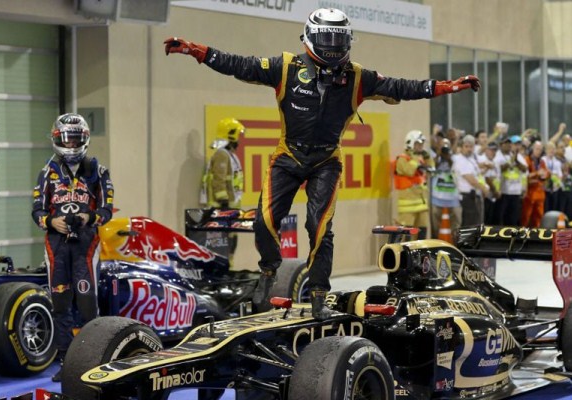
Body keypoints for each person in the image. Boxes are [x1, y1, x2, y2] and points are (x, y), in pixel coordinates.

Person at [164, 7, 480, 319]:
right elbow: (238, 65)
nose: (331, 45)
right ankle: (269, 271)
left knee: (319, 227)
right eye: (326, 37)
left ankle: (318, 295)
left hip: (326, 161)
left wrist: (448, 86)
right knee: (264, 221)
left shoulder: (358, 76)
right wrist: (197, 51)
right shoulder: (285, 67)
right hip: (287, 156)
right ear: (310, 37)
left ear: (348, 41)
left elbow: (403, 87)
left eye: (337, 38)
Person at [31, 113, 114, 381]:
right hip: (56, 245)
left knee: (88, 303)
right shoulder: (46, 172)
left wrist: (89, 217)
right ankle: (67, 362)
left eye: (75, 140)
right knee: (60, 303)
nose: (70, 145)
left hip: (86, 243)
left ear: (85, 139)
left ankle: (94, 360)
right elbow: (36, 210)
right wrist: (51, 222)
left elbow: (107, 209)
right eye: (65, 140)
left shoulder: (98, 171)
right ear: (57, 140)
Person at [201, 117, 245, 263]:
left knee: (232, 240)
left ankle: (229, 267)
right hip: (222, 208)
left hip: (230, 208)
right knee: (224, 242)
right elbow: (218, 180)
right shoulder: (221, 154)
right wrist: (224, 202)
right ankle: (225, 269)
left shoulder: (229, 155)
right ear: (231, 134)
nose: (239, 138)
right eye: (238, 134)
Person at [394, 130, 434, 240]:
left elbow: (431, 169)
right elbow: (409, 170)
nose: (421, 146)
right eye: (418, 144)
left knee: (422, 234)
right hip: (408, 207)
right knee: (406, 236)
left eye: (422, 144)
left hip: (421, 204)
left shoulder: (420, 159)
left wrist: (428, 158)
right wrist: (417, 159)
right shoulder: (402, 159)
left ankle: (420, 256)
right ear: (410, 143)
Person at [453, 134, 489, 226]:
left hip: (475, 196)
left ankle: (473, 240)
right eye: (466, 146)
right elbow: (471, 180)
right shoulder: (460, 160)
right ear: (461, 147)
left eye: (471, 147)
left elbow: (477, 175)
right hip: (467, 197)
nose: (469, 149)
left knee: (477, 224)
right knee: (469, 225)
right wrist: (484, 188)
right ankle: (467, 241)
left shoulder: (471, 159)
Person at [430, 138, 461, 241]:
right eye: (443, 145)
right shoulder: (435, 158)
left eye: (447, 145)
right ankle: (435, 241)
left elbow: (454, 166)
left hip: (452, 197)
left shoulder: (454, 158)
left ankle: (456, 242)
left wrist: (448, 156)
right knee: (435, 222)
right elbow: (433, 167)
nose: (445, 147)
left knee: (456, 221)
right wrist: (439, 154)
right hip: (437, 196)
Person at [495, 135, 528, 225]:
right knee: (501, 217)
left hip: (516, 192)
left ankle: (512, 237)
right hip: (504, 192)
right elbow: (499, 169)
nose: (509, 145)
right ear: (501, 144)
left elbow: (524, 169)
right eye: (506, 143)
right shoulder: (498, 156)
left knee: (513, 218)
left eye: (510, 143)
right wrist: (510, 161)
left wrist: (516, 161)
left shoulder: (516, 156)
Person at [521, 141, 549, 227]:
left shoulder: (541, 161)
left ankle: (537, 235)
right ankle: (523, 234)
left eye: (540, 149)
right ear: (532, 149)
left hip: (540, 193)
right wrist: (537, 173)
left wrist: (546, 174)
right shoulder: (526, 160)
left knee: (539, 216)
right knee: (526, 215)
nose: (539, 151)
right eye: (537, 149)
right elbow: (524, 176)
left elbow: (545, 173)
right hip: (529, 193)